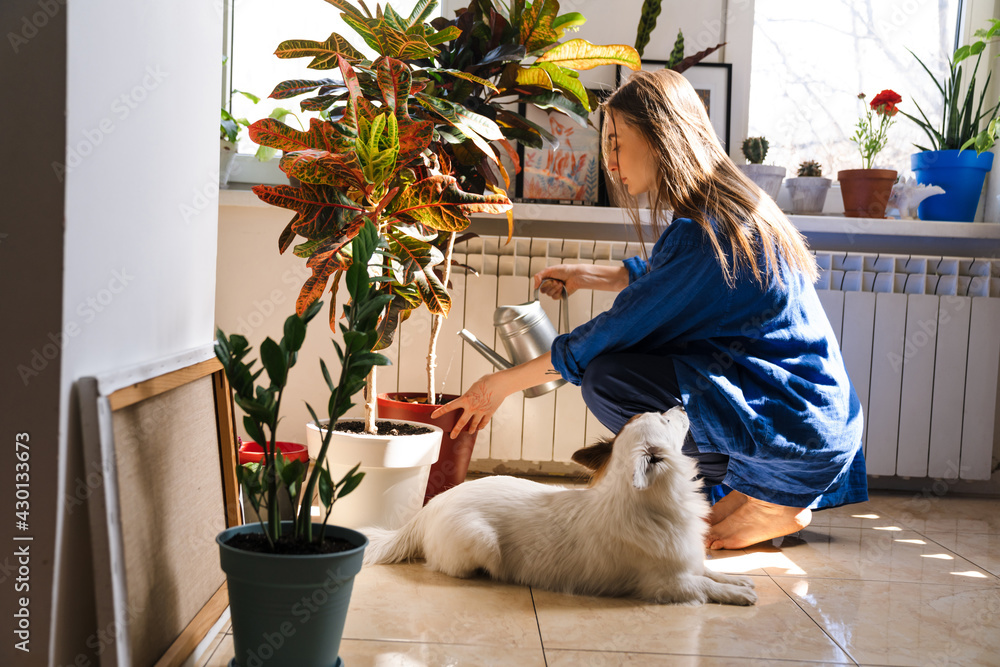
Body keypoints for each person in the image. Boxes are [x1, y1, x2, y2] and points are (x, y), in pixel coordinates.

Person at [431, 68, 867, 550]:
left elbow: (614, 329)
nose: (610, 161)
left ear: (661, 136)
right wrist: (593, 274)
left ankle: (772, 499)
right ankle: (757, 489)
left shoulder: (707, 232)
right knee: (642, 367)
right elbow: (669, 277)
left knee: (609, 380)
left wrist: (502, 384)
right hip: (815, 420)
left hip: (796, 430)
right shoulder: (727, 210)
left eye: (617, 142)